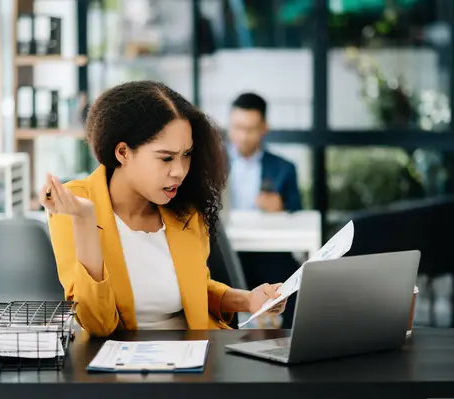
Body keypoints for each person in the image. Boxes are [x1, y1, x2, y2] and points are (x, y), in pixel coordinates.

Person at [39, 81, 286, 336]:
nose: (179, 171)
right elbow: (97, 323)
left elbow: (192, 289)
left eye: (186, 154)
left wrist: (249, 300)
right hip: (119, 362)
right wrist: (84, 220)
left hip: (197, 355)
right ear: (123, 152)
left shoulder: (183, 206)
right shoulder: (75, 205)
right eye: (166, 157)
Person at [226, 92, 302, 329]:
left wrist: (282, 208)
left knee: (297, 282)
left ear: (264, 128)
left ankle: (291, 340)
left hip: (268, 250)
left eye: (250, 129)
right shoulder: (212, 164)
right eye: (237, 127)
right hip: (228, 251)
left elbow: (299, 212)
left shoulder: (283, 168)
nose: (243, 136)